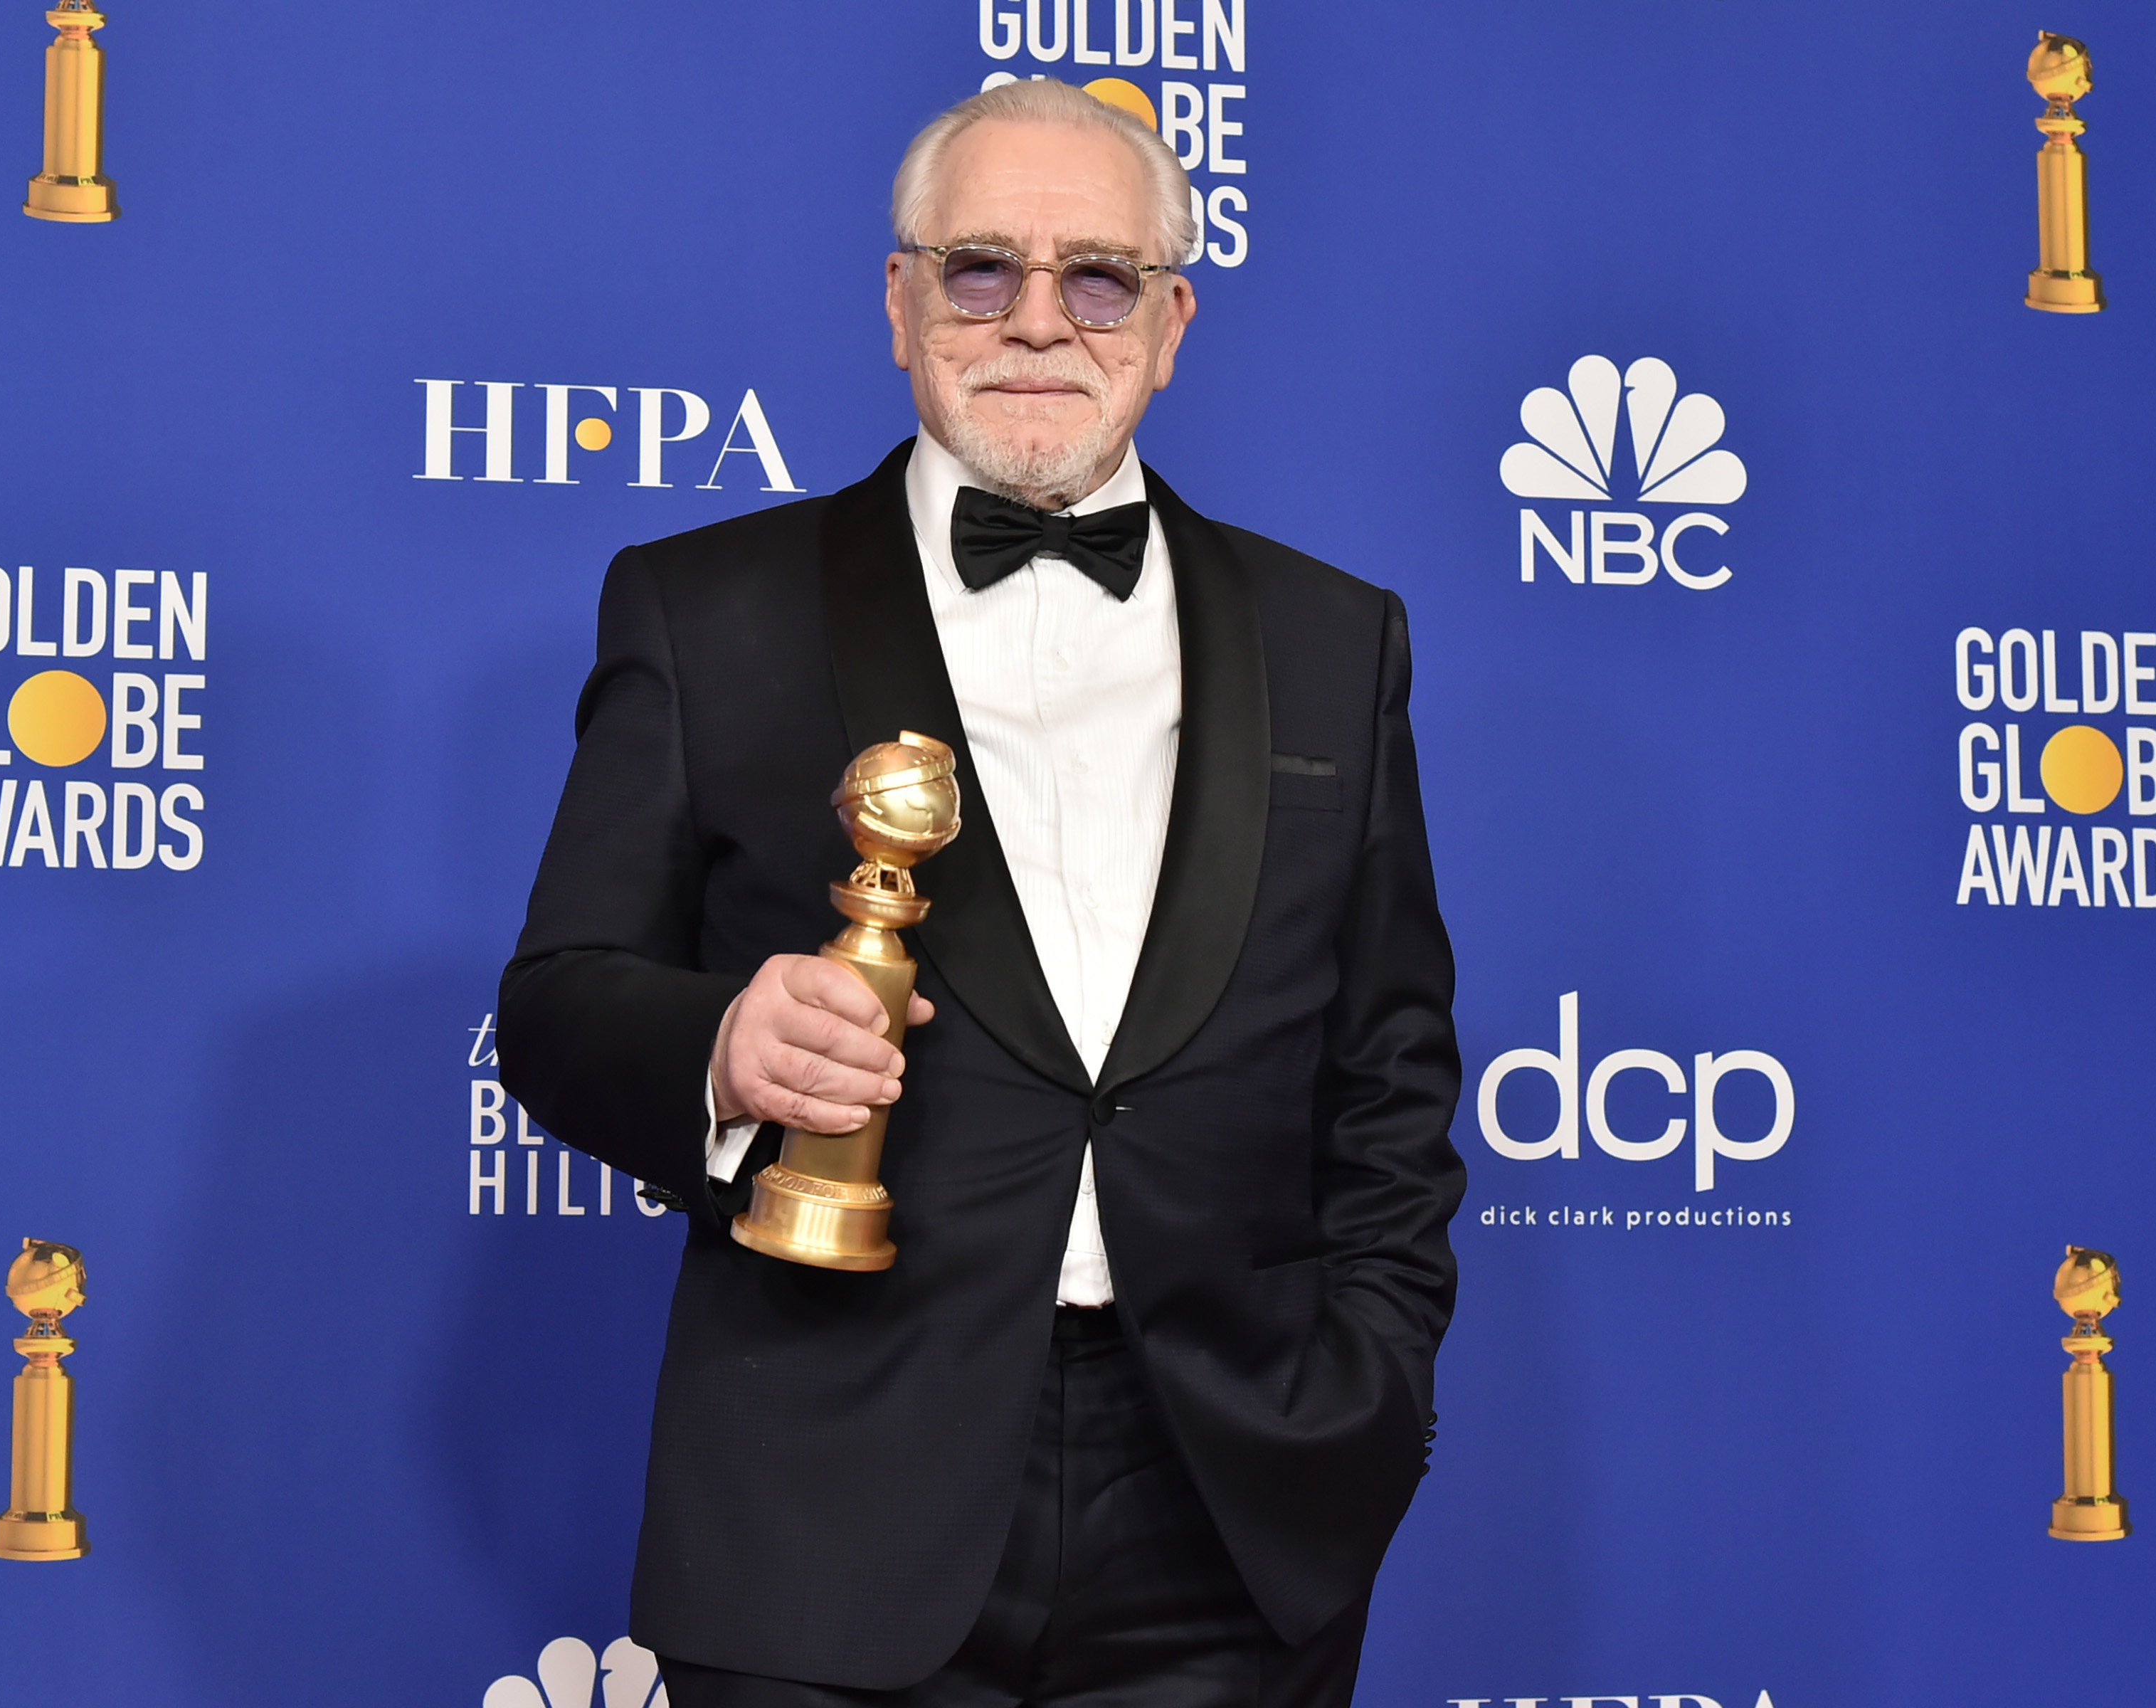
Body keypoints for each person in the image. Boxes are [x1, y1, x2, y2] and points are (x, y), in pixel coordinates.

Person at [498, 77, 1463, 1708]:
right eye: (980, 269)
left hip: (1229, 1512)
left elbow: (1392, 1071)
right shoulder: (703, 608)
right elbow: (559, 996)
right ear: (900, 301)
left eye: (1098, 278)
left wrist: (1367, 1390)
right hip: (824, 1499)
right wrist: (723, 1053)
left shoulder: (1334, 637)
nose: (1038, 321)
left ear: (1170, 325)